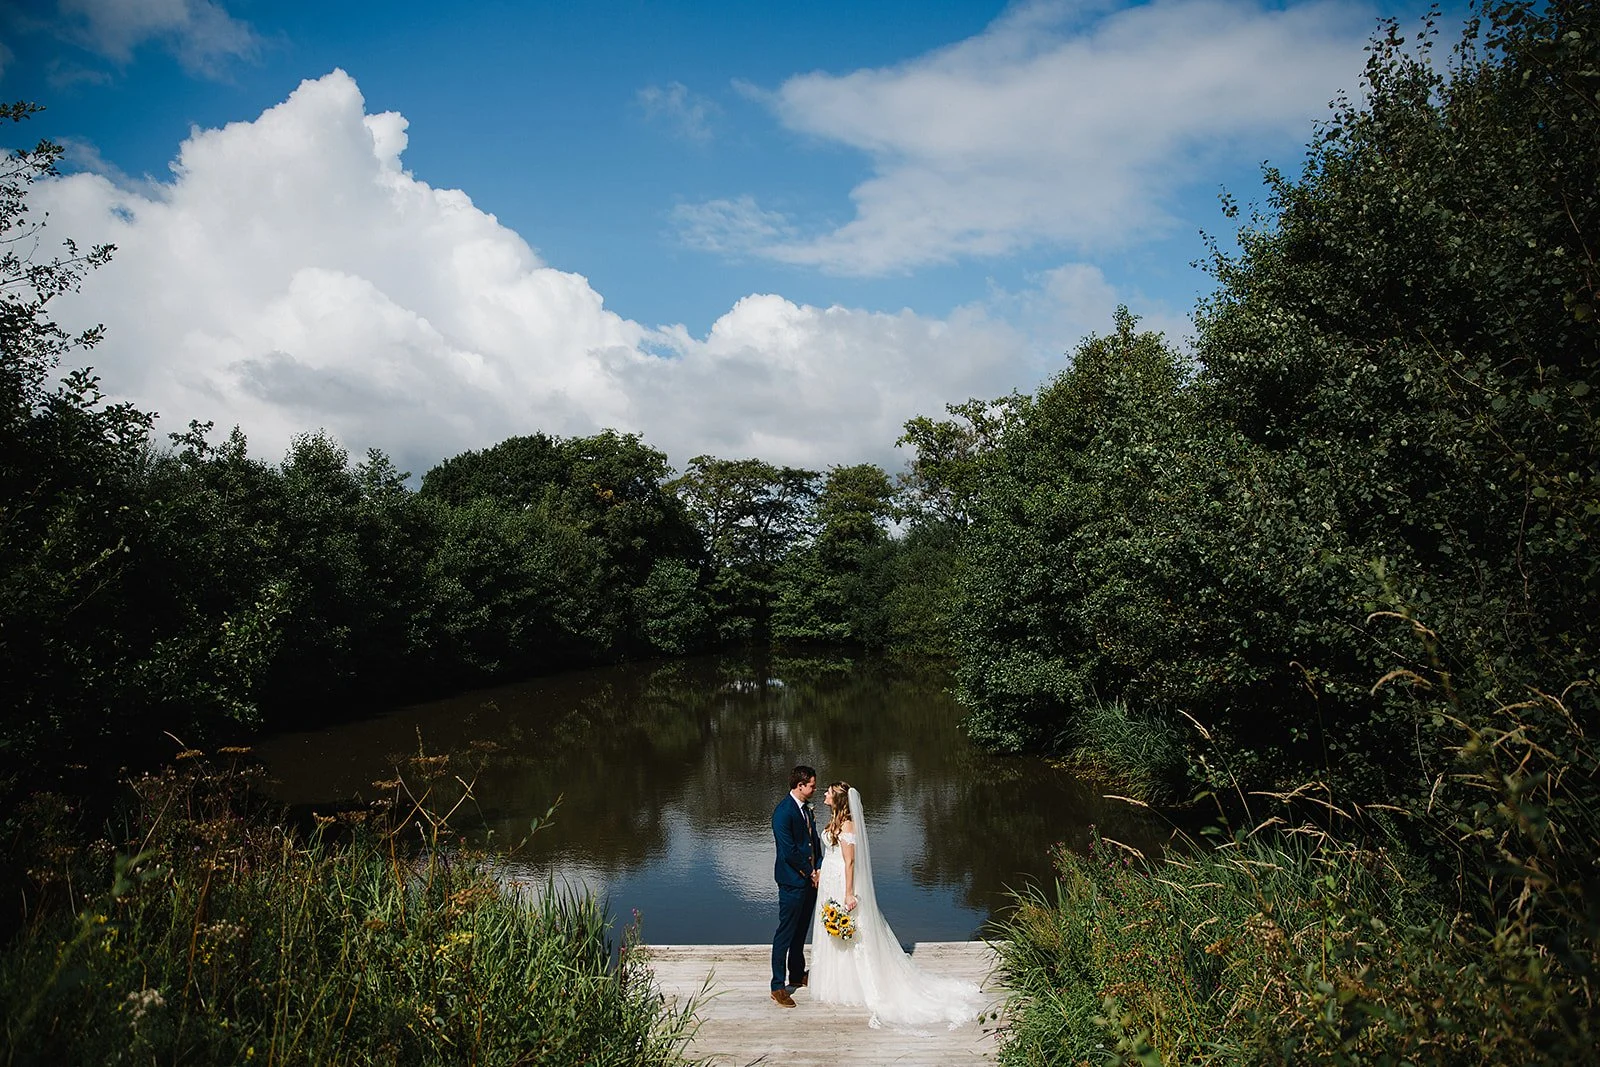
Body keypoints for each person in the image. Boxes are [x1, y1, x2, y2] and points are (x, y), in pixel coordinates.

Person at [809, 781, 985, 1030]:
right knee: (832, 930)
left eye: (828, 792)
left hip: (841, 882)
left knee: (853, 933)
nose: (824, 794)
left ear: (837, 800)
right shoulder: (834, 821)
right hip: (829, 879)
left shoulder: (848, 825)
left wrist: (849, 893)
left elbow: (849, 862)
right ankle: (836, 979)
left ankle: (856, 983)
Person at [769, 764, 821, 1007]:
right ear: (800, 786)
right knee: (785, 933)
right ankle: (777, 986)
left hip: (809, 880)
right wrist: (810, 871)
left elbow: (813, 842)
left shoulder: (806, 810)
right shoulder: (783, 813)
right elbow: (788, 851)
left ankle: (797, 974)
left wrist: (819, 867)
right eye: (811, 785)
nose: (814, 788)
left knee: (801, 931)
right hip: (792, 881)